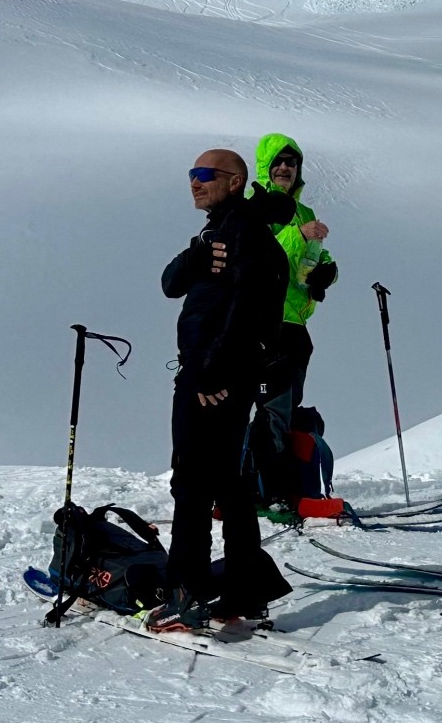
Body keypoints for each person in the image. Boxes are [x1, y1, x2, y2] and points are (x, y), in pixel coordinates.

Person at [149, 148, 295, 631]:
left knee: (191, 482)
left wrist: (213, 372)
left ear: (235, 181)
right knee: (228, 486)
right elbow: (170, 284)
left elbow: (244, 309)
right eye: (191, 174)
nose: (195, 182)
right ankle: (244, 592)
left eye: (207, 175)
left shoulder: (241, 231)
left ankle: (185, 595)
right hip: (220, 371)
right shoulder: (218, 230)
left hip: (212, 373)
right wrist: (194, 257)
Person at [249, 133, 337, 427]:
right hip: (264, 325)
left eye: (292, 162)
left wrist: (328, 273)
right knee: (268, 402)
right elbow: (260, 258)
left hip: (297, 325)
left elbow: (318, 257)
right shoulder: (253, 208)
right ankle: (258, 464)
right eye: (279, 162)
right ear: (266, 166)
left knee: (288, 404)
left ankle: (281, 464)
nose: (285, 168)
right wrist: (299, 235)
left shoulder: (305, 213)